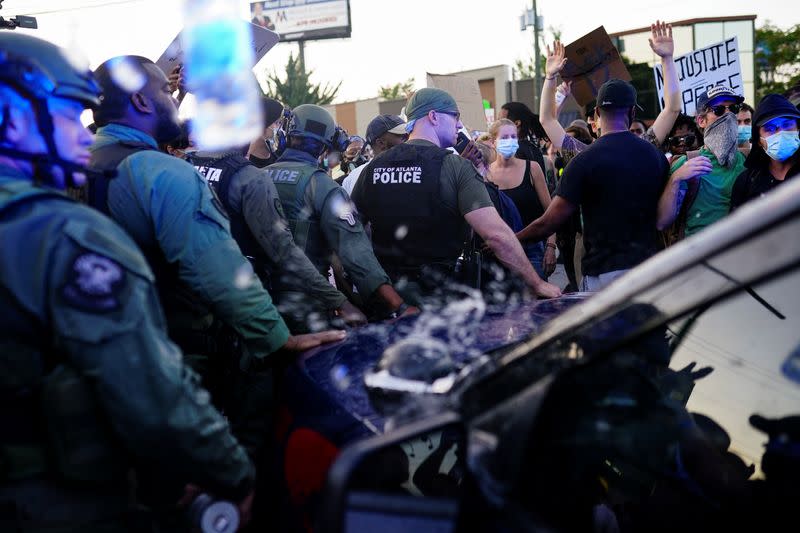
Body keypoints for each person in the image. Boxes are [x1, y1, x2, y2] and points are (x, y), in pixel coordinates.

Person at [0, 32, 256, 531]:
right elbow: (152, 395)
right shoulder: (65, 236)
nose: (83, 135)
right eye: (68, 115)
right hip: (56, 502)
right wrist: (235, 474)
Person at [86, 56, 344, 455]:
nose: (175, 101)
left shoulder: (70, 164)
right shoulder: (170, 174)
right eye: (164, 94)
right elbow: (225, 274)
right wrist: (279, 339)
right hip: (177, 352)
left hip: (98, 356)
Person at [352, 88, 561, 304]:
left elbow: (350, 238)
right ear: (433, 117)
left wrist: (375, 290)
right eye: (455, 116)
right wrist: (537, 283)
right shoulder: (454, 166)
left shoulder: (373, 168)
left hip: (390, 302)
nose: (459, 125)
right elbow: (496, 235)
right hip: (442, 303)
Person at [187, 134, 368, 332]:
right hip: (233, 306)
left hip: (179, 303)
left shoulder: (181, 165)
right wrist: (340, 302)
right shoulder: (249, 177)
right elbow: (284, 251)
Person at [516, 79, 670, 292]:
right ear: (632, 112)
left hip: (603, 275)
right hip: (650, 270)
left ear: (597, 112)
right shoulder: (654, 155)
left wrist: (511, 242)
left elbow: (548, 223)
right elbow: (665, 214)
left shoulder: (583, 159)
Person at [265, 104, 415, 319]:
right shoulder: (323, 187)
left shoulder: (254, 176)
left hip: (254, 304)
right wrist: (398, 305)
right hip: (303, 307)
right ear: (329, 145)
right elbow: (356, 255)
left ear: (285, 135)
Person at [656, 85, 747, 240]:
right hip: (699, 256)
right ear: (701, 120)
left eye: (733, 108)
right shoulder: (687, 162)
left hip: (739, 254)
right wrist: (675, 179)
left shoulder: (747, 160)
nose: (728, 114)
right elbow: (662, 222)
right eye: (719, 110)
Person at [487, 118, 557, 279]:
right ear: (493, 142)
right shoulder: (485, 174)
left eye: (513, 137)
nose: (510, 141)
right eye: (504, 138)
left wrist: (551, 246)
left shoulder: (532, 168)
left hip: (532, 250)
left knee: (536, 301)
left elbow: (550, 212)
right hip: (499, 252)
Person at [730, 94, 800, 210]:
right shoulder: (746, 182)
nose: (780, 133)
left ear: (798, 129)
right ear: (759, 140)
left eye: (787, 125)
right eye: (770, 129)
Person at [342, 114, 408, 196]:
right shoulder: (354, 178)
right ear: (380, 143)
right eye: (403, 137)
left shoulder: (413, 168)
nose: (408, 139)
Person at [499, 101, 547, 172]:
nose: (497, 125)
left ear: (517, 123)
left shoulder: (516, 150)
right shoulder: (531, 147)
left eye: (501, 121)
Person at [246, 95, 285, 168]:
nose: (281, 128)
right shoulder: (243, 162)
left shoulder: (280, 160)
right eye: (277, 123)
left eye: (282, 124)